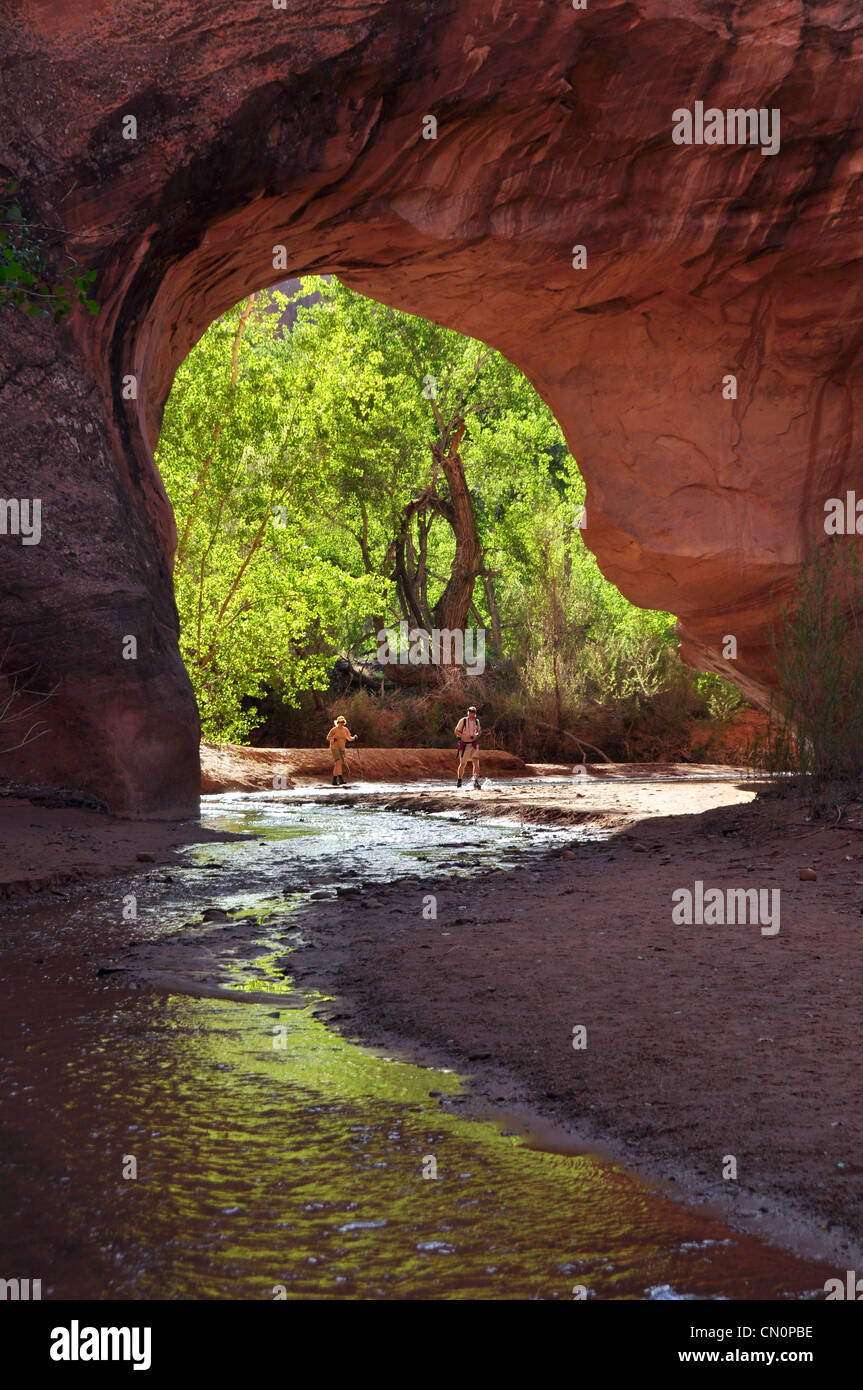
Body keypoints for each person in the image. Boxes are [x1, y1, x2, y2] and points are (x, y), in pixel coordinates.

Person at [455, 705, 482, 789]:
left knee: (476, 763)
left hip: (473, 744)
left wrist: (476, 735)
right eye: (470, 712)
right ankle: (459, 781)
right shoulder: (463, 721)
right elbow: (456, 731)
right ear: (468, 712)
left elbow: (479, 731)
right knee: (463, 764)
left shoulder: (477, 721)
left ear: (475, 714)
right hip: (464, 744)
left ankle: (476, 781)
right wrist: (464, 736)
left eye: (473, 712)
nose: (471, 714)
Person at [326, 715, 357, 786]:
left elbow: (349, 738)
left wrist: (354, 738)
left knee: (337, 764)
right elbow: (328, 738)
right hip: (334, 747)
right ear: (337, 722)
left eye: (343, 722)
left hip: (342, 748)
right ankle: (340, 779)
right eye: (340, 722)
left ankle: (334, 780)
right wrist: (333, 738)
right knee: (339, 762)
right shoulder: (334, 729)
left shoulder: (345, 729)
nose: (342, 723)